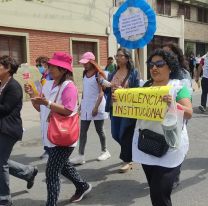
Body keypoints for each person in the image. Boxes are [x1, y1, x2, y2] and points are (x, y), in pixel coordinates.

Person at [25, 52, 91, 205]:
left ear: (63, 69)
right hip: (49, 135)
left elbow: (68, 110)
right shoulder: (47, 84)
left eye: (53, 67)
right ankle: (82, 186)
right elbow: (41, 108)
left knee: (52, 172)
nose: (49, 69)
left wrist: (46, 103)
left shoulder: (70, 87)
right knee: (64, 166)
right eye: (49, 66)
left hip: (63, 136)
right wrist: (33, 96)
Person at [132, 49, 192, 206]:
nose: (154, 68)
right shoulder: (145, 87)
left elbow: (189, 113)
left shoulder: (179, 87)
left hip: (171, 147)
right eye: (152, 64)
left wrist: (173, 104)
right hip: (148, 145)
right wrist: (119, 99)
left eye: (159, 64)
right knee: (156, 191)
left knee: (158, 194)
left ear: (170, 67)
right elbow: (131, 107)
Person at [0, 55, 38, 206]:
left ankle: (4, 198)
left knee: (0, 162)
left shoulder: (13, 86)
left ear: (8, 69)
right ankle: (27, 172)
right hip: (2, 127)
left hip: (9, 129)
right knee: (1, 160)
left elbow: (5, 109)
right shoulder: (1, 84)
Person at [70, 52, 111, 165]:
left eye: (86, 63)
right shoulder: (84, 73)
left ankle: (105, 151)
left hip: (97, 106)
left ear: (92, 62)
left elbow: (101, 93)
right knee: (83, 131)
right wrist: (80, 106)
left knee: (100, 130)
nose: (84, 65)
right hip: (86, 106)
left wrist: (96, 107)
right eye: (83, 63)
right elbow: (85, 91)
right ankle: (80, 156)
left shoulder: (99, 75)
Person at [162, 42, 193, 188]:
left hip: (179, 113)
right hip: (164, 113)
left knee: (176, 142)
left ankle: (175, 173)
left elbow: (187, 100)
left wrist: (175, 103)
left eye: (169, 53)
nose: (166, 56)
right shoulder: (161, 71)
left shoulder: (183, 74)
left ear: (176, 55)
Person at [105, 47, 140, 173]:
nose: (117, 58)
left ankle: (127, 160)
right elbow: (107, 89)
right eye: (117, 55)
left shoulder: (134, 72)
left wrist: (123, 91)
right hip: (114, 107)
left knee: (124, 134)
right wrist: (106, 85)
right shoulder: (113, 73)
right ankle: (129, 151)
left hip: (127, 109)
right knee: (115, 134)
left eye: (120, 56)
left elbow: (137, 91)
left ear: (127, 58)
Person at [35, 56, 51, 159]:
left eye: (40, 65)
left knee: (49, 127)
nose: (38, 67)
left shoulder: (51, 75)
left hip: (49, 104)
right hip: (43, 105)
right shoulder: (43, 76)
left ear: (46, 64)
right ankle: (47, 148)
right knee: (43, 128)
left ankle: (50, 150)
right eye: (37, 65)